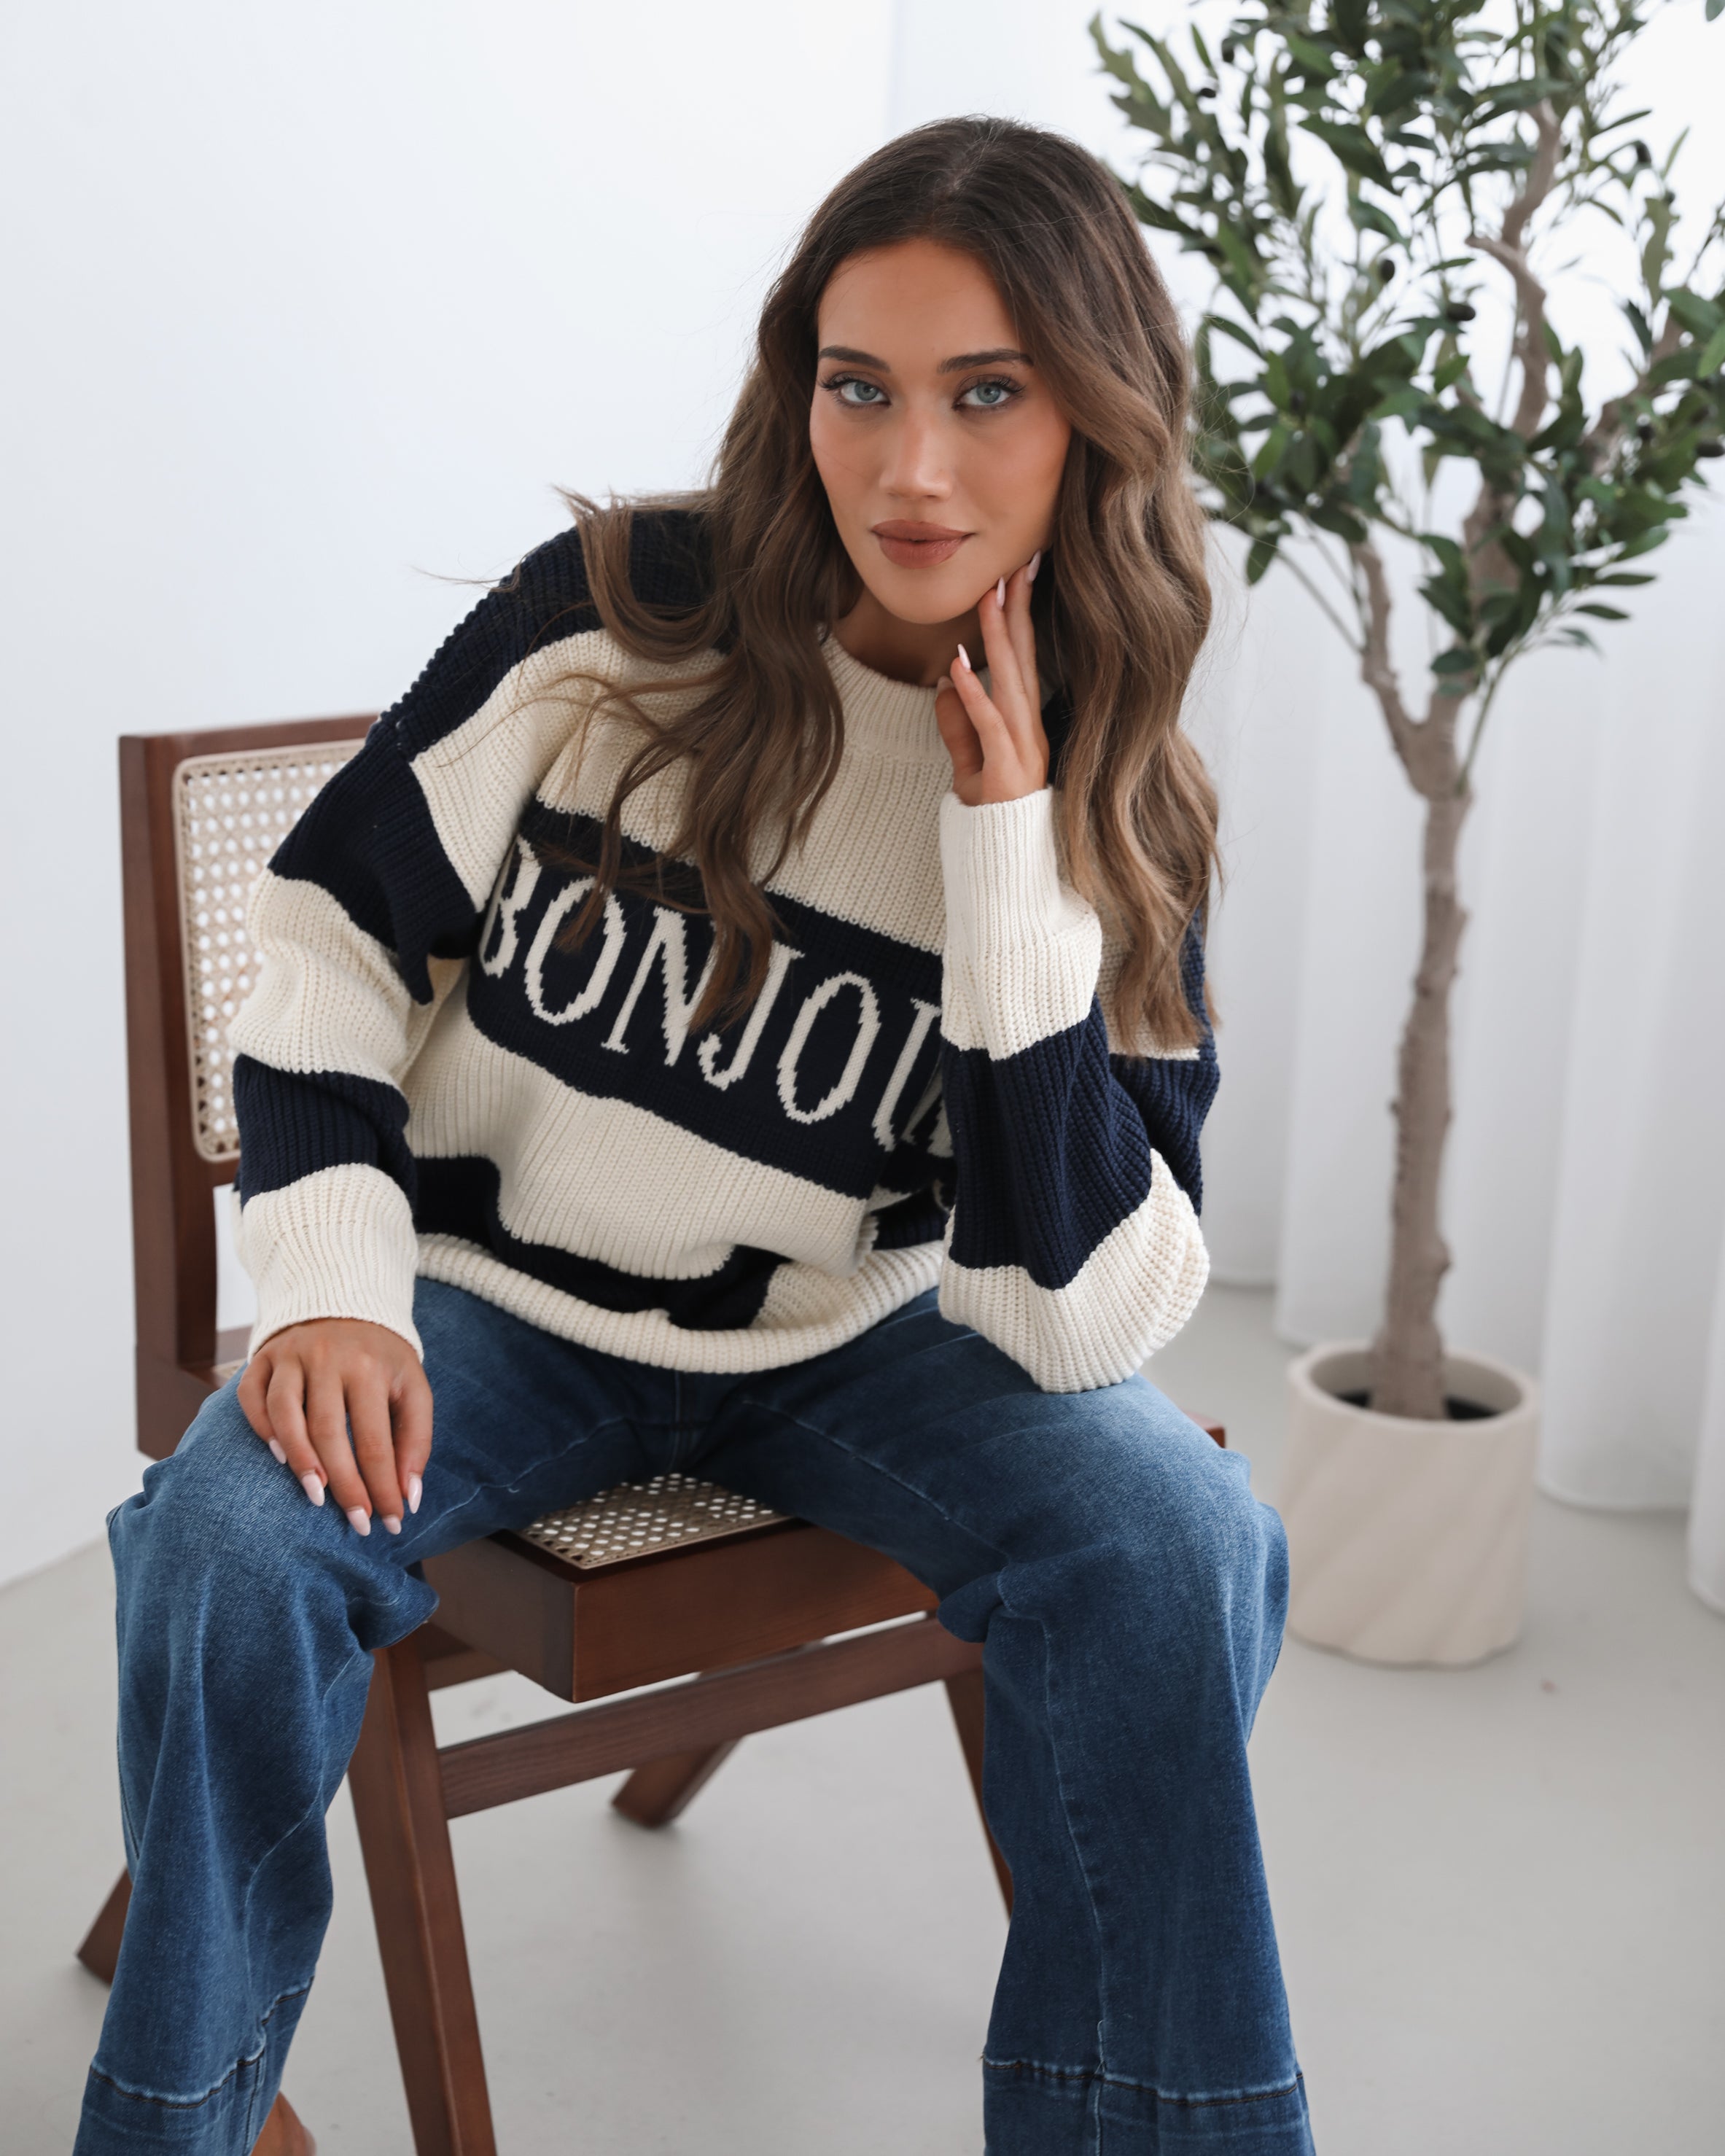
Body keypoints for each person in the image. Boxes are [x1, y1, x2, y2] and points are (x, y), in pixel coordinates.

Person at [77, 116, 1312, 2156]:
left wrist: (1005, 851)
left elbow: (1076, 1321)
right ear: (796, 388)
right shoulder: (622, 613)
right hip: (494, 1313)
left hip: (860, 1344)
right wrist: (330, 1288)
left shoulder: (1120, 793)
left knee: (1182, 1540)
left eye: (986, 396)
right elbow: (326, 946)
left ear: (1098, 416)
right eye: (860, 388)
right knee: (225, 1534)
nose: (910, 472)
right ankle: (183, 2116)